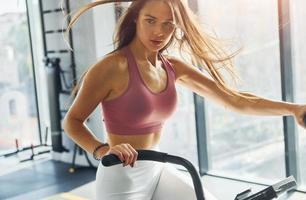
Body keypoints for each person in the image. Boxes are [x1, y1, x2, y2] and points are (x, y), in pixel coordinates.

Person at [62, 0, 306, 199]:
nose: (159, 32)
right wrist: (102, 149)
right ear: (136, 17)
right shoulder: (111, 67)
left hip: (156, 166)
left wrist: (295, 109)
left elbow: (236, 100)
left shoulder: (173, 67)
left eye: (169, 24)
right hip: (121, 176)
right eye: (151, 21)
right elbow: (72, 121)